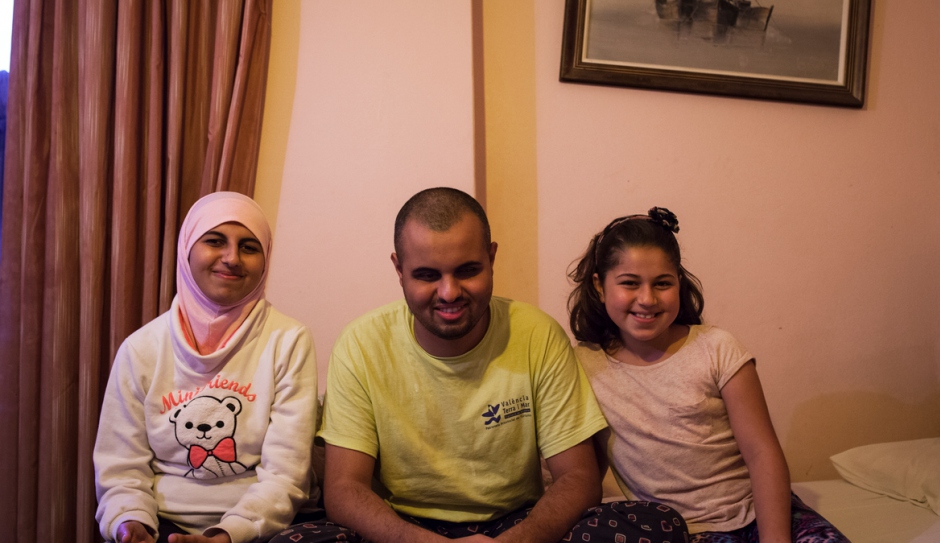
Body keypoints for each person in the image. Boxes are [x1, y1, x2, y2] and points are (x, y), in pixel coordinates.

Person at [273, 188, 688, 543]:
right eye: (427, 275)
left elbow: (578, 478)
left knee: (657, 526)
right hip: (405, 529)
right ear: (399, 269)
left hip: (518, 525)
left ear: (492, 258)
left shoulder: (536, 334)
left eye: (468, 270)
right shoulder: (361, 344)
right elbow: (344, 489)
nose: (449, 292)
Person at [568, 208, 849, 543]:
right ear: (600, 286)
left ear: (679, 284)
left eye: (662, 284)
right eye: (629, 283)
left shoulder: (717, 348)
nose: (647, 299)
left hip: (758, 515)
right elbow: (584, 467)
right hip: (673, 532)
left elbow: (762, 453)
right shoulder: (583, 365)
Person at [94, 192, 320, 543]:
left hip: (257, 528)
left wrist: (229, 534)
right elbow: (121, 468)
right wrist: (129, 521)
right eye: (215, 241)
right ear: (187, 250)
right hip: (158, 523)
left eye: (249, 247)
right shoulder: (140, 349)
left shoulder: (288, 341)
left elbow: (286, 475)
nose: (232, 258)